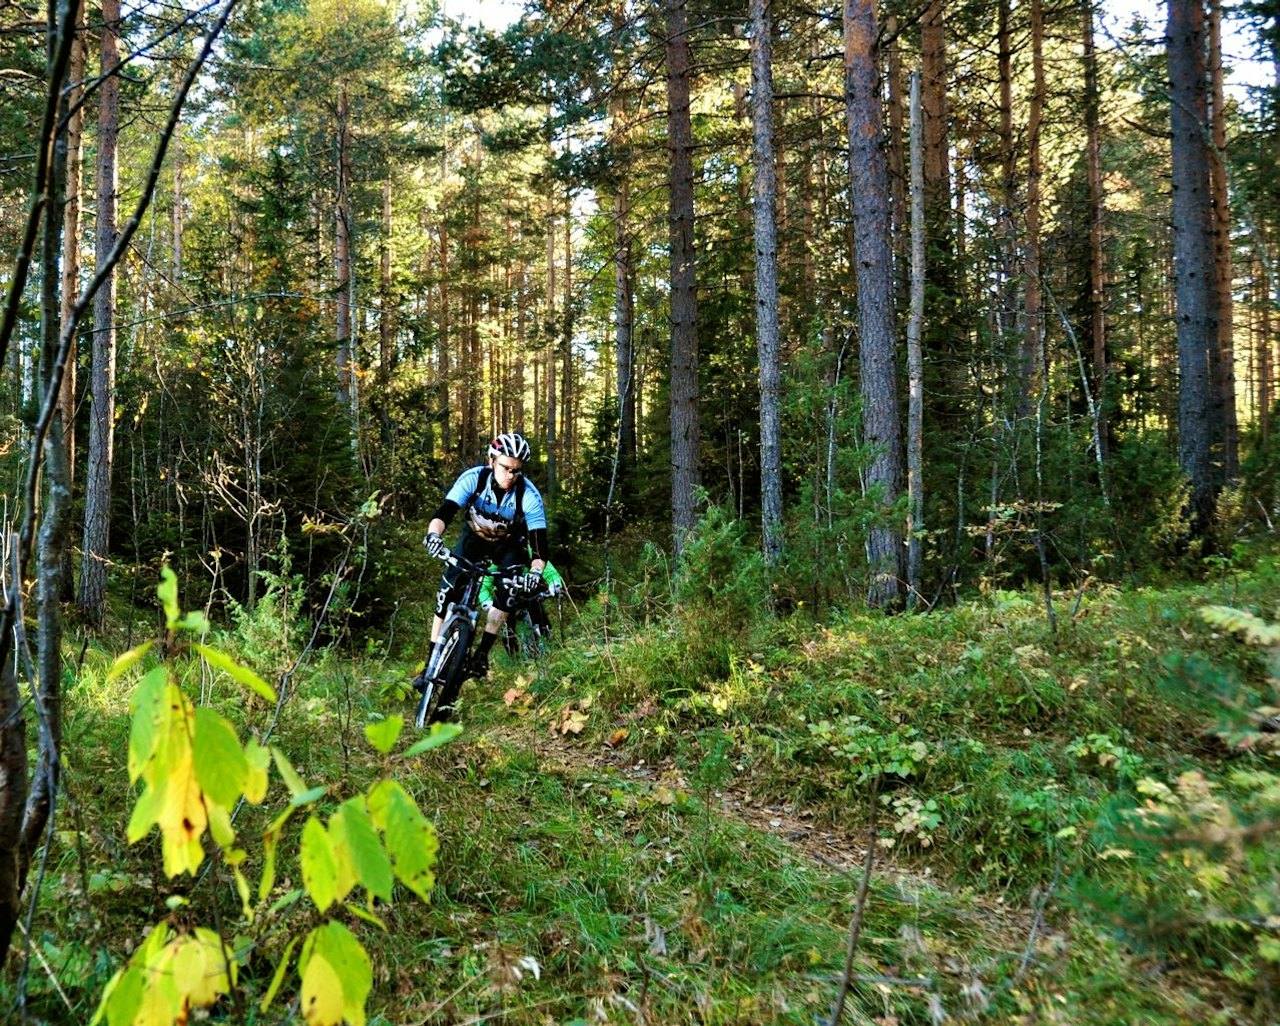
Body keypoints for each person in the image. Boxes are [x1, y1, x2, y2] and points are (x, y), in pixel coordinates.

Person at [418, 432, 550, 696]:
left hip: (508, 544)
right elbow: (444, 512)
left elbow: (539, 547)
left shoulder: (529, 496)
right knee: (448, 591)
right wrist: (434, 536)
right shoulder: (473, 479)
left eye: (516, 470)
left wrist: (535, 573)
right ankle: (431, 663)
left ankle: (482, 654)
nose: (511, 475)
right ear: (492, 460)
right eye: (505, 468)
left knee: (509, 590)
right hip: (473, 538)